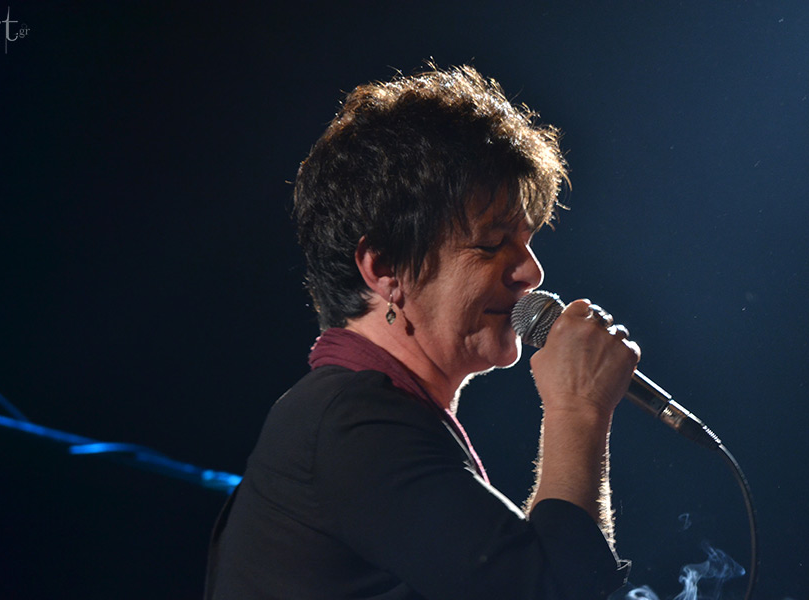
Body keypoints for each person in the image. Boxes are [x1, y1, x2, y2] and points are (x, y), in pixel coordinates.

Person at [205, 65, 640, 600]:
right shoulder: (353, 424)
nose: (531, 272)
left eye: (527, 242)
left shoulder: (360, 415)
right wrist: (578, 408)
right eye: (491, 244)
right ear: (386, 268)